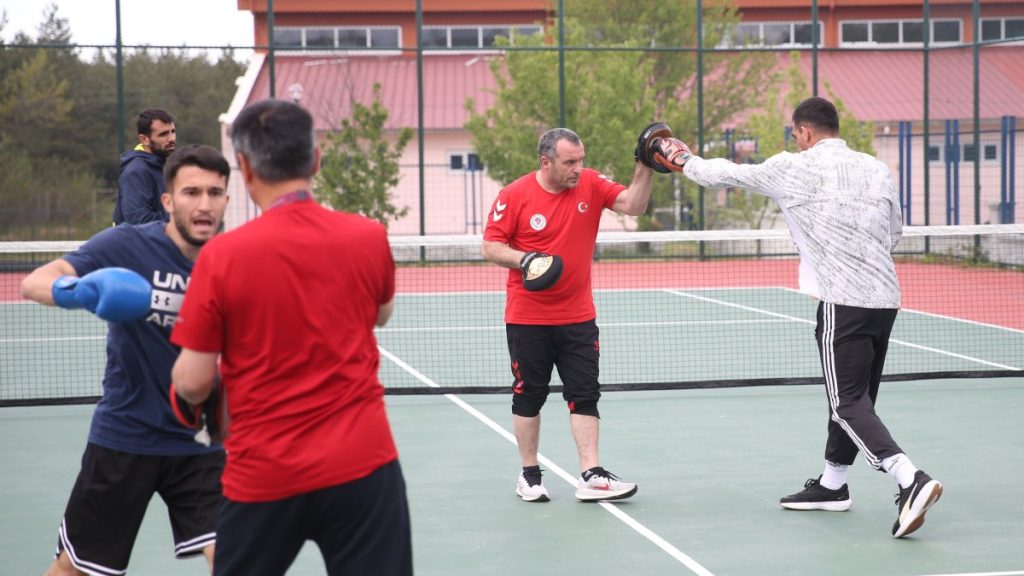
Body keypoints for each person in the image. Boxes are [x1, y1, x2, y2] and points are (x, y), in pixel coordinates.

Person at [652, 96, 942, 538]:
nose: (796, 141)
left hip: (842, 302)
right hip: (886, 299)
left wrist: (681, 158)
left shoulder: (793, 167)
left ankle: (910, 478)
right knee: (855, 398)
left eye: (795, 135)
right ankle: (833, 485)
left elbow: (724, 173)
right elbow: (894, 231)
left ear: (805, 132)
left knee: (846, 403)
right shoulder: (875, 168)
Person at [170, 99, 412, 576]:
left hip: (263, 471)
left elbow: (193, 383)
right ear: (315, 159)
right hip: (362, 465)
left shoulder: (221, 256)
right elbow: (381, 314)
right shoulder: (368, 236)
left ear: (244, 167)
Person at [21, 144, 231, 575]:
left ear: (227, 199)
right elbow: (35, 282)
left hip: (202, 442)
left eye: (214, 192)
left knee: (237, 558)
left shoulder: (236, 261)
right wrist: (78, 291)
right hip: (126, 437)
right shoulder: (128, 245)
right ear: (168, 200)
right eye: (192, 192)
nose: (204, 204)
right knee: (74, 569)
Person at [482, 127, 654, 503]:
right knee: (529, 395)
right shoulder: (514, 195)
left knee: (585, 395)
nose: (579, 168)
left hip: (578, 317)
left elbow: (633, 205)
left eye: (581, 160)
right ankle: (529, 476)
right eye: (570, 162)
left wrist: (645, 164)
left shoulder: (590, 183)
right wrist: (525, 259)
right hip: (528, 319)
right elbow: (491, 246)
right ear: (546, 162)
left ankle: (591, 474)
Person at [113, 109, 177, 225]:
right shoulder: (136, 171)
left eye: (173, 131)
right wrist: (181, 215)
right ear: (144, 139)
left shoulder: (161, 164)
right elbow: (138, 221)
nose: (172, 138)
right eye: (163, 134)